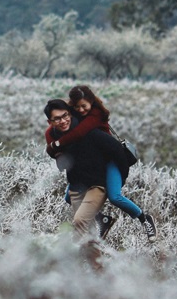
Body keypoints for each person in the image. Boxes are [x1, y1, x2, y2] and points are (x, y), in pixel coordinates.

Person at [45, 88, 157, 242]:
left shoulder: (95, 116)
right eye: (77, 107)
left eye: (84, 106)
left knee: (115, 196)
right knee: (68, 197)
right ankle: (102, 220)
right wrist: (51, 146)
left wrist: (56, 144)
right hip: (96, 159)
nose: (81, 110)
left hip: (111, 158)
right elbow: (53, 128)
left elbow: (77, 134)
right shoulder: (72, 114)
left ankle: (144, 218)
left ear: (91, 102)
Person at [43, 99, 128, 239]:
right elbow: (58, 157)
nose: (63, 121)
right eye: (57, 119)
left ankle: (70, 257)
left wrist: (122, 176)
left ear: (70, 114)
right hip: (76, 186)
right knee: (88, 232)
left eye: (65, 116)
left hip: (97, 184)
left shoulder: (87, 131)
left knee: (80, 222)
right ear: (50, 122)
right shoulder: (55, 136)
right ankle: (94, 256)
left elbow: (117, 148)